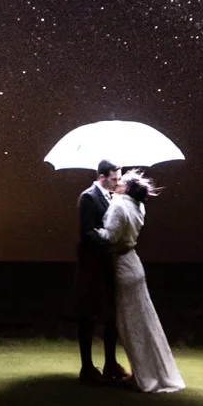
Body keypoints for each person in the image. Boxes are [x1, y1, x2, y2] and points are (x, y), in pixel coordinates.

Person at [98, 170, 184, 393]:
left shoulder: (118, 206)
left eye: (121, 181)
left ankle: (142, 376)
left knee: (130, 325)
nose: (117, 183)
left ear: (126, 188)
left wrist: (96, 231)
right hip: (134, 264)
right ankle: (149, 372)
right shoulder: (138, 206)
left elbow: (112, 237)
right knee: (144, 322)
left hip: (122, 267)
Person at [75, 160, 127, 384]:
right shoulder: (88, 197)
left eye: (119, 179)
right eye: (114, 179)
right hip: (91, 266)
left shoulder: (112, 197)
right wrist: (109, 244)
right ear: (102, 177)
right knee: (88, 315)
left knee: (110, 315)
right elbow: (87, 232)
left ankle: (110, 363)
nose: (118, 183)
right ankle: (87, 367)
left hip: (107, 265)